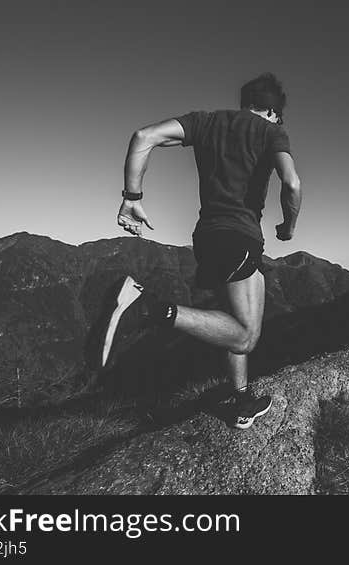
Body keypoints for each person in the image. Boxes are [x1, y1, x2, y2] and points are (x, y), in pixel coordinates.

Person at [101, 72, 302, 430]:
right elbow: (292, 183)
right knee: (246, 336)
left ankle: (241, 399)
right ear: (272, 112)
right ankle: (148, 308)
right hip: (239, 236)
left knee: (236, 312)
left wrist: (132, 198)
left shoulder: (206, 122)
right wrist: (288, 227)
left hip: (208, 237)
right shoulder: (272, 132)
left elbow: (143, 137)